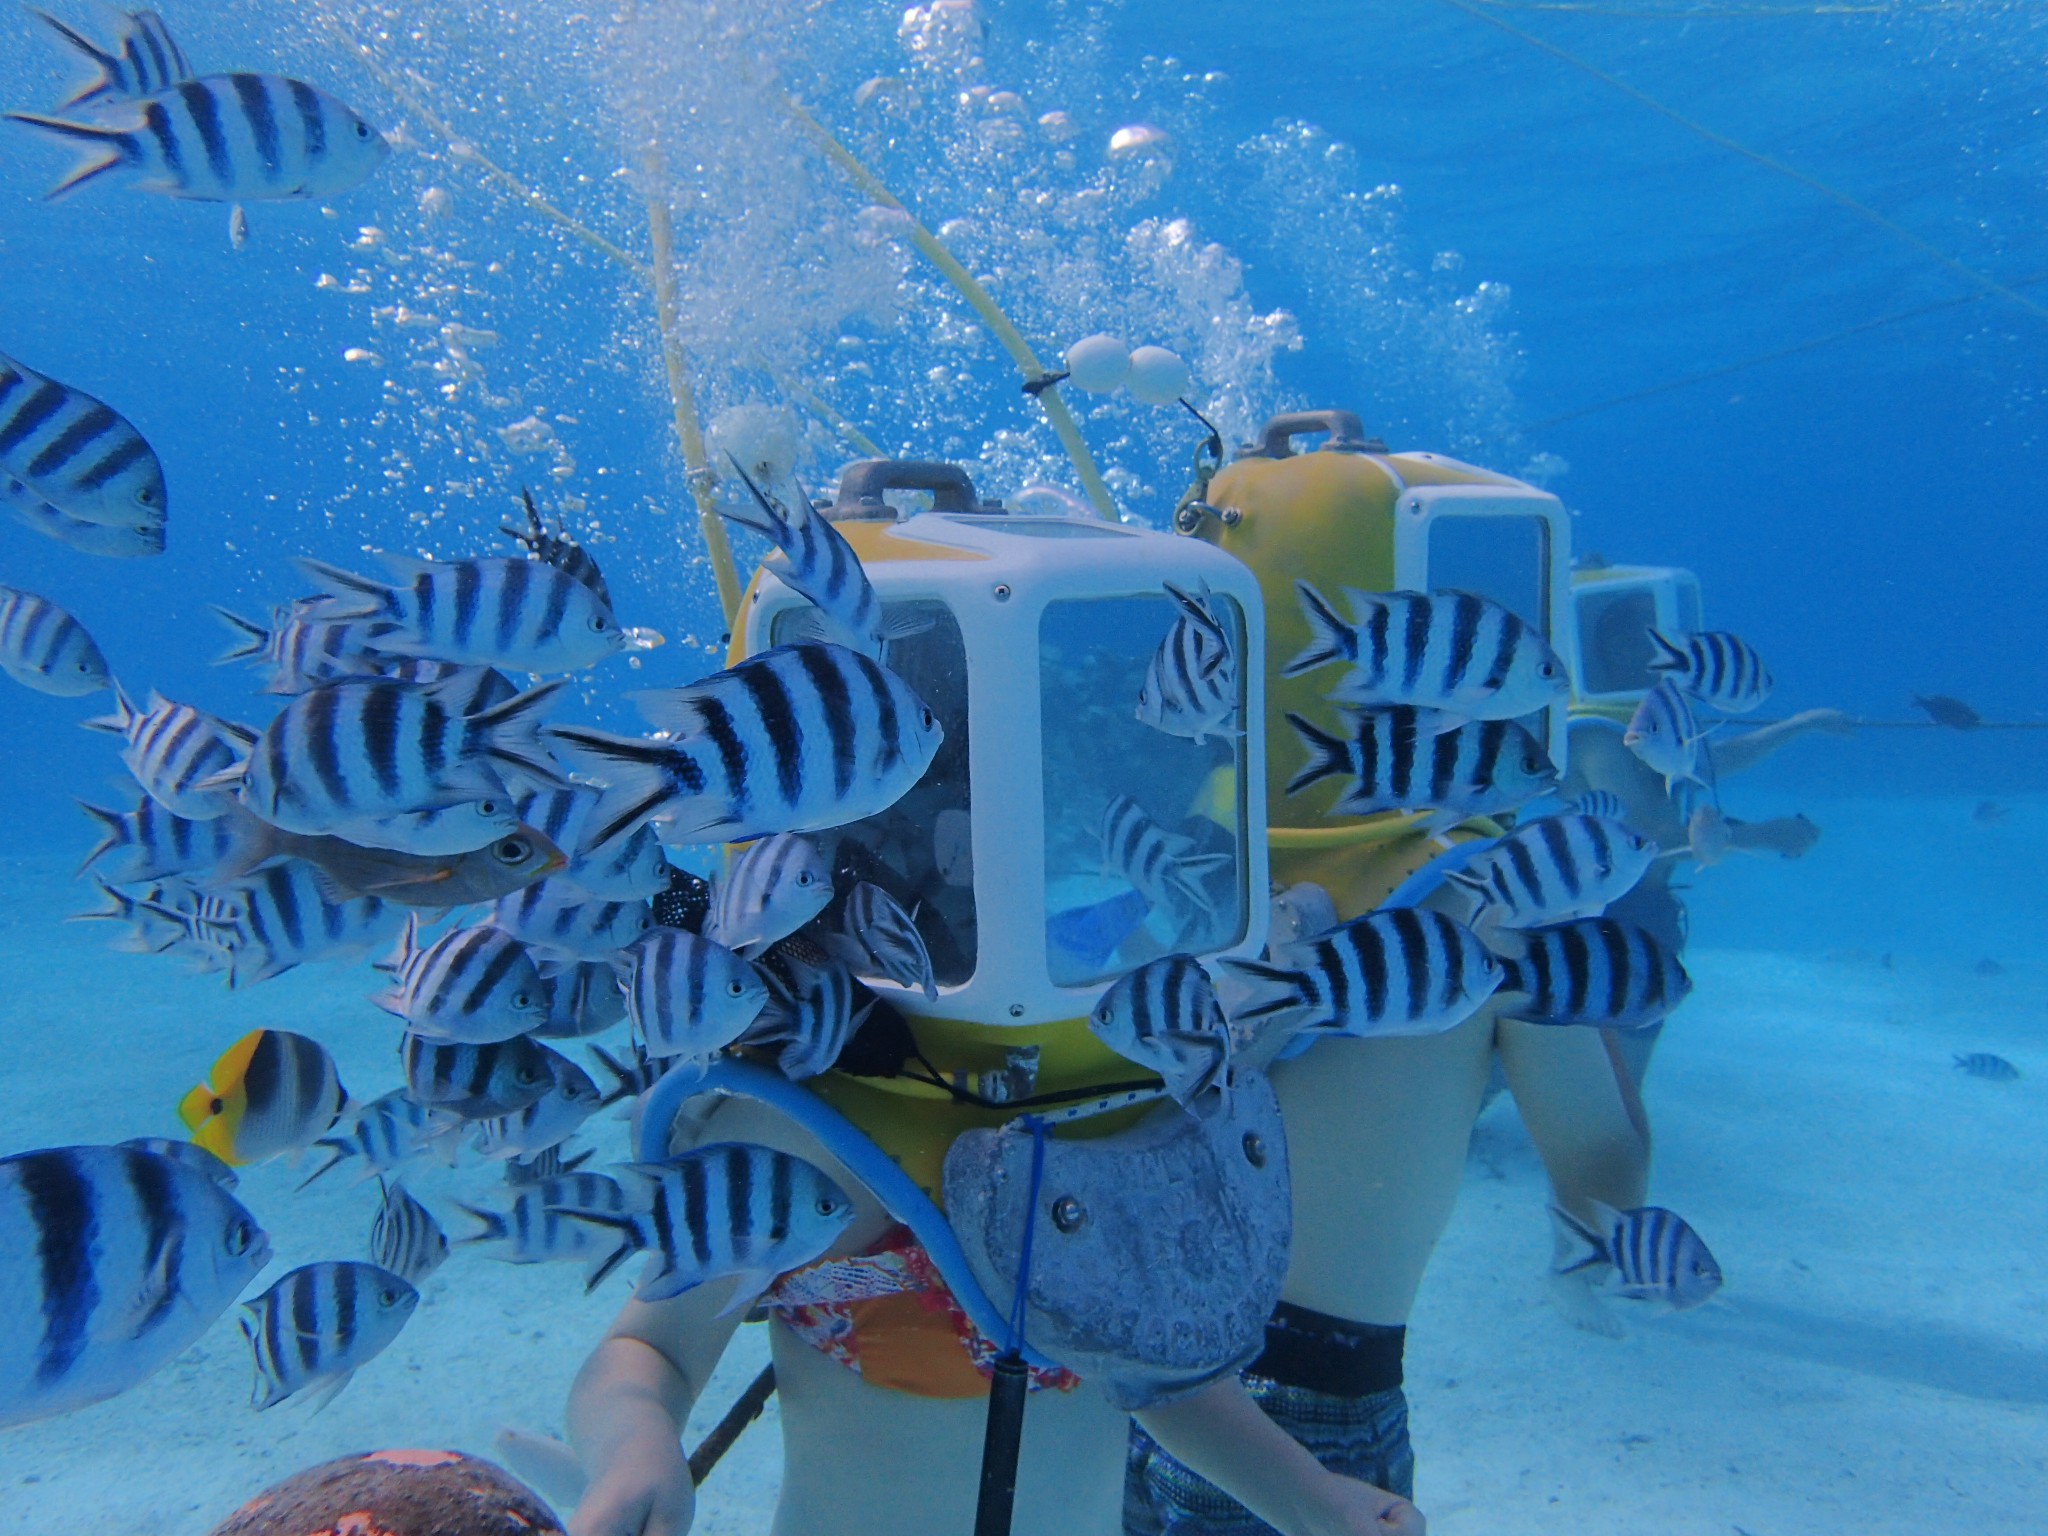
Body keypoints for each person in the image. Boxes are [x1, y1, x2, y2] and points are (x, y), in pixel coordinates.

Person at [561, 1084, 1425, 1536]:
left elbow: (1160, 1382)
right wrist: (634, 1453)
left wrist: (1312, 1502)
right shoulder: (792, 1132)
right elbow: (650, 1353)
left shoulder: (1108, 1109)